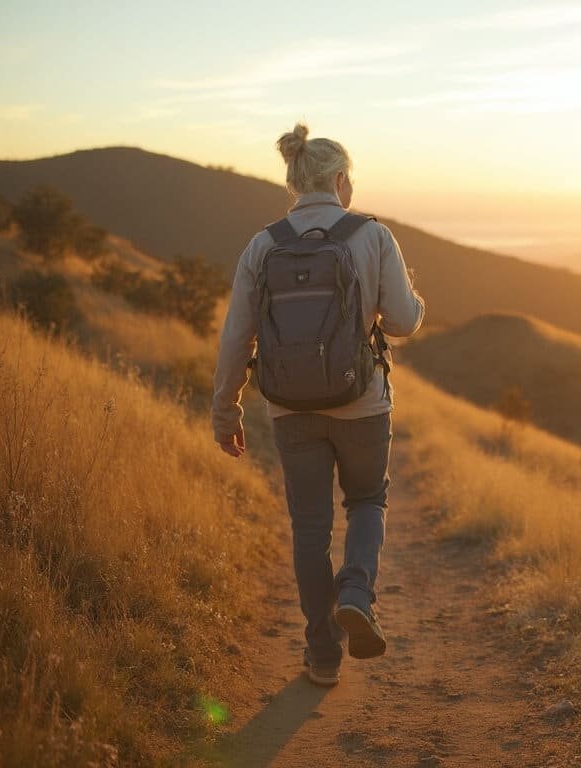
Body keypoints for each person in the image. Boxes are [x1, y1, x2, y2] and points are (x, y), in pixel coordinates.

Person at [211, 122, 425, 686]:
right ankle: (356, 591)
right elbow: (402, 322)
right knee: (366, 501)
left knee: (309, 528)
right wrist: (414, 297)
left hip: (289, 410)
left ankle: (322, 654)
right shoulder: (372, 236)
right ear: (338, 180)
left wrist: (225, 409)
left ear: (295, 182)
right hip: (361, 406)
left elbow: (237, 337)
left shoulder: (263, 244)